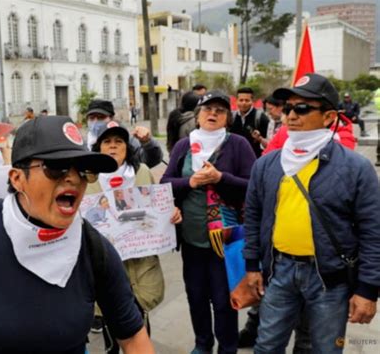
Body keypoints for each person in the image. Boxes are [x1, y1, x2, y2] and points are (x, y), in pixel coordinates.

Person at [0, 115, 155, 354]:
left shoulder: (96, 251)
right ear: (17, 178)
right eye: (55, 167)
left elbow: (133, 336)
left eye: (83, 170)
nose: (73, 179)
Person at [244, 73, 380, 354]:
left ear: (329, 117)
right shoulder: (266, 165)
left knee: (324, 349)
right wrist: (252, 266)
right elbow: (254, 217)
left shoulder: (355, 168)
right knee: (266, 346)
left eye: (302, 108)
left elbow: (373, 231)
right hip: (279, 272)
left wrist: (367, 289)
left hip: (330, 279)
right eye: (287, 108)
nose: (291, 115)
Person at [161, 91, 256, 354]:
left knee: (224, 299)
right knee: (196, 296)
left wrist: (220, 178)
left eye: (220, 110)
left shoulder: (237, 144)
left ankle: (228, 347)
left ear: (227, 117)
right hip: (192, 239)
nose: (213, 114)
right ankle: (202, 344)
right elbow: (164, 184)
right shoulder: (183, 146)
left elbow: (253, 186)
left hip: (226, 241)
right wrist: (189, 182)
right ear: (198, 115)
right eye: (207, 109)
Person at [87, 120, 182, 353]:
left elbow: (156, 209)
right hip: (104, 267)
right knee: (111, 326)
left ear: (127, 147)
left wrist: (171, 213)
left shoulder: (141, 172)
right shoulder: (87, 179)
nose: (112, 146)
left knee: (138, 322)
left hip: (140, 267)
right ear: (98, 147)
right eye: (107, 141)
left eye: (118, 141)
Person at [85, 99, 163, 168]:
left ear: (112, 118)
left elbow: (150, 161)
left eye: (101, 117)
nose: (95, 122)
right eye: (91, 118)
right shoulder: (82, 144)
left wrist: (148, 142)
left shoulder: (128, 140)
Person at [230, 87, 270, 157]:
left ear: (252, 101)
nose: (244, 103)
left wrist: (259, 138)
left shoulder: (261, 118)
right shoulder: (231, 117)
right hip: (234, 158)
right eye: (241, 100)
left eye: (247, 100)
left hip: (254, 158)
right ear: (236, 101)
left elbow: (269, 143)